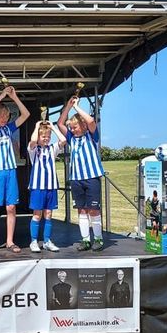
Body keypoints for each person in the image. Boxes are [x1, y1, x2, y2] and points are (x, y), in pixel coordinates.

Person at [0, 86, 30, 253]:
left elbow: (26, 114)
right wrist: (2, 95)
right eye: (1, 115)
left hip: (9, 170)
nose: (4, 118)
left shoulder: (9, 128)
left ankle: (10, 241)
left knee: (11, 207)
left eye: (6, 116)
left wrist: (14, 97)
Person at [57, 95, 105, 251]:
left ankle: (98, 239)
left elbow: (91, 121)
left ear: (83, 126)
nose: (72, 130)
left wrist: (77, 107)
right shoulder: (71, 137)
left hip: (92, 177)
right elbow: (60, 123)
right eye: (71, 127)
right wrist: (69, 106)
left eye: (75, 127)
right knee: (81, 210)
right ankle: (85, 240)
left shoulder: (91, 135)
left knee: (94, 209)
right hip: (76, 178)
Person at [27, 121, 66, 253]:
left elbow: (63, 140)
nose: (46, 138)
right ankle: (33, 241)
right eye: (43, 136)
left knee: (48, 214)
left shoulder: (52, 149)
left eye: (48, 136)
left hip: (51, 186)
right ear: (38, 136)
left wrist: (53, 128)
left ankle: (47, 241)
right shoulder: (33, 149)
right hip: (37, 186)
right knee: (37, 214)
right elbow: (33, 141)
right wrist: (36, 126)